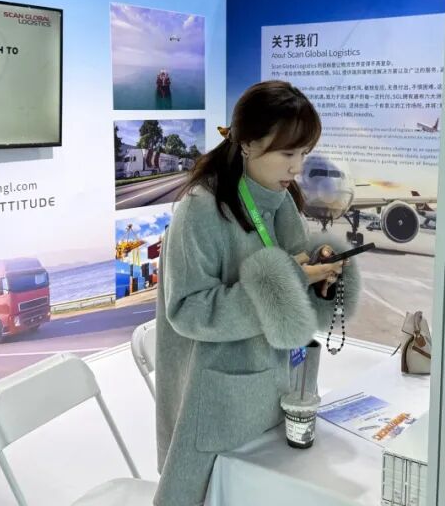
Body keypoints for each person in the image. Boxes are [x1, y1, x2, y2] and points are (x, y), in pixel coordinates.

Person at [154, 80, 362, 506]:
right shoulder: (200, 210)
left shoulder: (281, 202)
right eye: (288, 154)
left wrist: (321, 278)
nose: (297, 167)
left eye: (303, 153)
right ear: (247, 143)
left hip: (276, 393)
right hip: (221, 405)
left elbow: (293, 278)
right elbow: (188, 310)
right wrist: (286, 281)